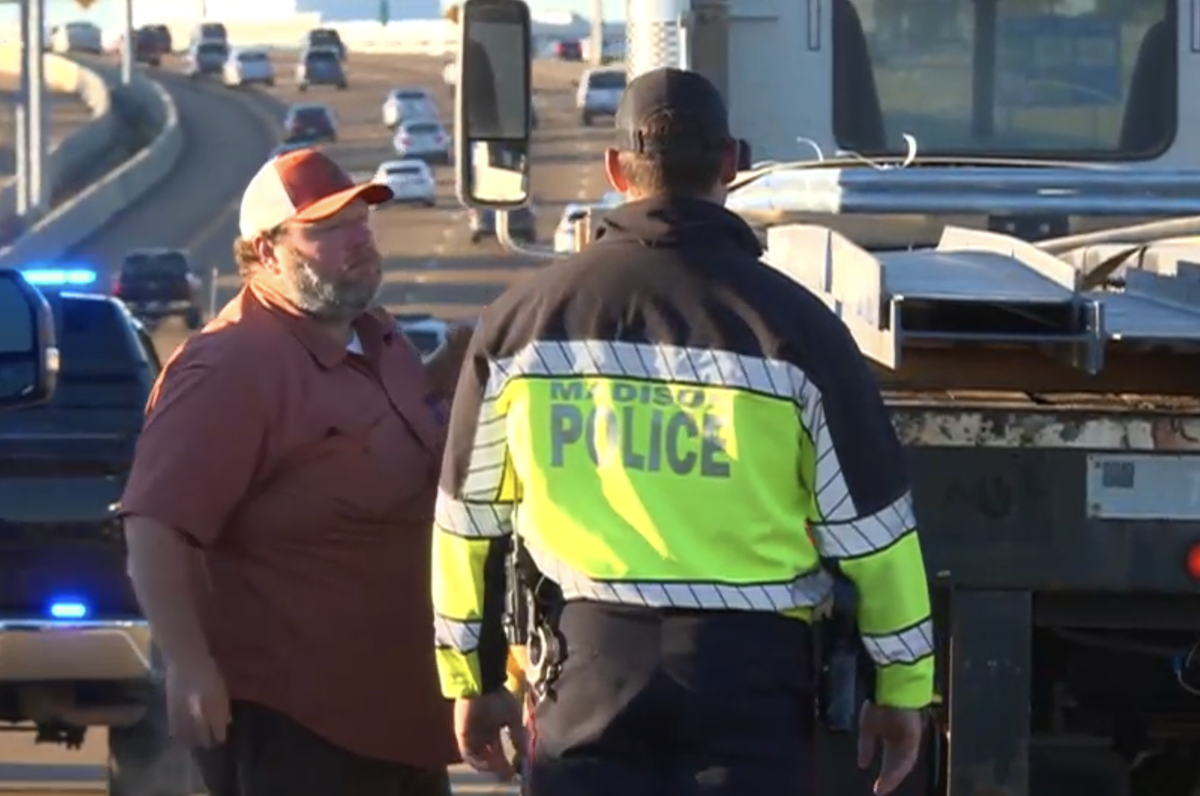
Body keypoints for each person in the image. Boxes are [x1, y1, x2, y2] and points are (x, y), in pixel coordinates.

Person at [430, 67, 935, 796]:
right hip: (751, 677)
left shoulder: (522, 321)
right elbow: (877, 537)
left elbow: (465, 524)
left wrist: (471, 678)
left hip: (584, 666)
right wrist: (902, 690)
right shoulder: (797, 328)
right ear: (731, 163)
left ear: (614, 169)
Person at [121, 147, 473, 796]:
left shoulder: (378, 337)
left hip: (402, 726)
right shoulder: (230, 367)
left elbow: (366, 438)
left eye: (361, 224)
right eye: (328, 231)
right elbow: (154, 524)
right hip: (296, 731)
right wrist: (190, 666)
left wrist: (447, 374)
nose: (359, 242)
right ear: (265, 252)